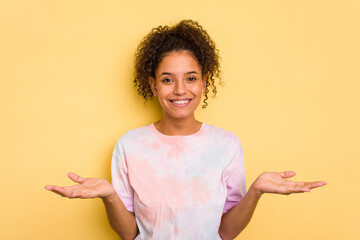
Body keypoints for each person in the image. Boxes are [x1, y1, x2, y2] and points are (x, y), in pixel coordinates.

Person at [45, 20, 326, 240]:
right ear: (153, 85)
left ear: (204, 81)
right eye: (167, 79)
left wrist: (256, 191)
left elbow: (226, 233)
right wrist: (109, 195)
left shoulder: (226, 144)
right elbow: (129, 234)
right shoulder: (129, 145)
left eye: (190, 78)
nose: (180, 90)